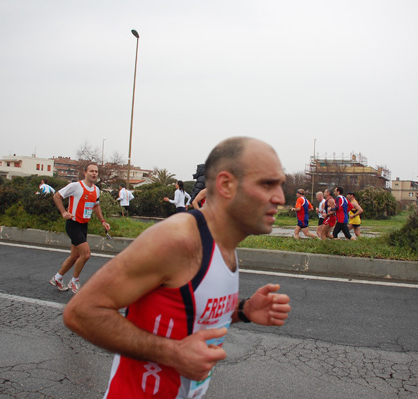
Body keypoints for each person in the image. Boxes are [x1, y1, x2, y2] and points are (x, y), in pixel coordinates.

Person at [63, 137, 291, 399]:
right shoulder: (178, 239)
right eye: (267, 184)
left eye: (281, 185)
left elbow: (193, 312)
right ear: (226, 184)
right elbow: (81, 312)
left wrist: (243, 310)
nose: (280, 197)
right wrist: (173, 353)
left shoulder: (227, 241)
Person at [50, 163, 111, 294]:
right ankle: (74, 280)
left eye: (96, 172)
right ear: (85, 173)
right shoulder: (76, 186)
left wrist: (103, 221)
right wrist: (63, 212)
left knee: (75, 255)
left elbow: (96, 206)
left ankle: (57, 278)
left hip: (84, 225)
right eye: (91, 171)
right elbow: (56, 196)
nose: (94, 174)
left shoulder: (96, 190)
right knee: (86, 254)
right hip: (73, 224)